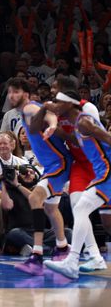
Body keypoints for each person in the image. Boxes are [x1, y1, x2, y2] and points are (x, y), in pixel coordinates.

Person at [5, 78, 72, 275]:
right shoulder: (29, 109)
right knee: (51, 208)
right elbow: (48, 113)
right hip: (55, 165)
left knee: (35, 198)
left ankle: (37, 255)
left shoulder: (29, 108)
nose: (12, 96)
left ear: (26, 93)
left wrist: (52, 125)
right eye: (10, 92)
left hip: (58, 164)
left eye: (16, 91)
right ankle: (62, 248)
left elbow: (49, 115)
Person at [45, 90, 111, 278]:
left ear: (69, 104)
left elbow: (108, 139)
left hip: (108, 171)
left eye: (59, 102)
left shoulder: (84, 122)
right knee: (80, 208)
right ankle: (83, 260)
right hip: (102, 172)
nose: (55, 105)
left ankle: (72, 261)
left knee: (81, 208)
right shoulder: (77, 125)